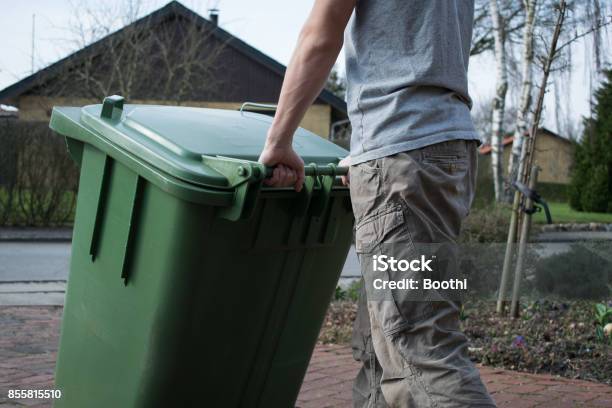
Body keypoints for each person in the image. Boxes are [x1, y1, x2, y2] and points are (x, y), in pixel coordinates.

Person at [258, 0, 496, 406]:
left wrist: (279, 141)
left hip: (403, 153)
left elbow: (321, 33)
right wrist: (369, 150)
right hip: (443, 148)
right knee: (381, 350)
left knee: (419, 348)